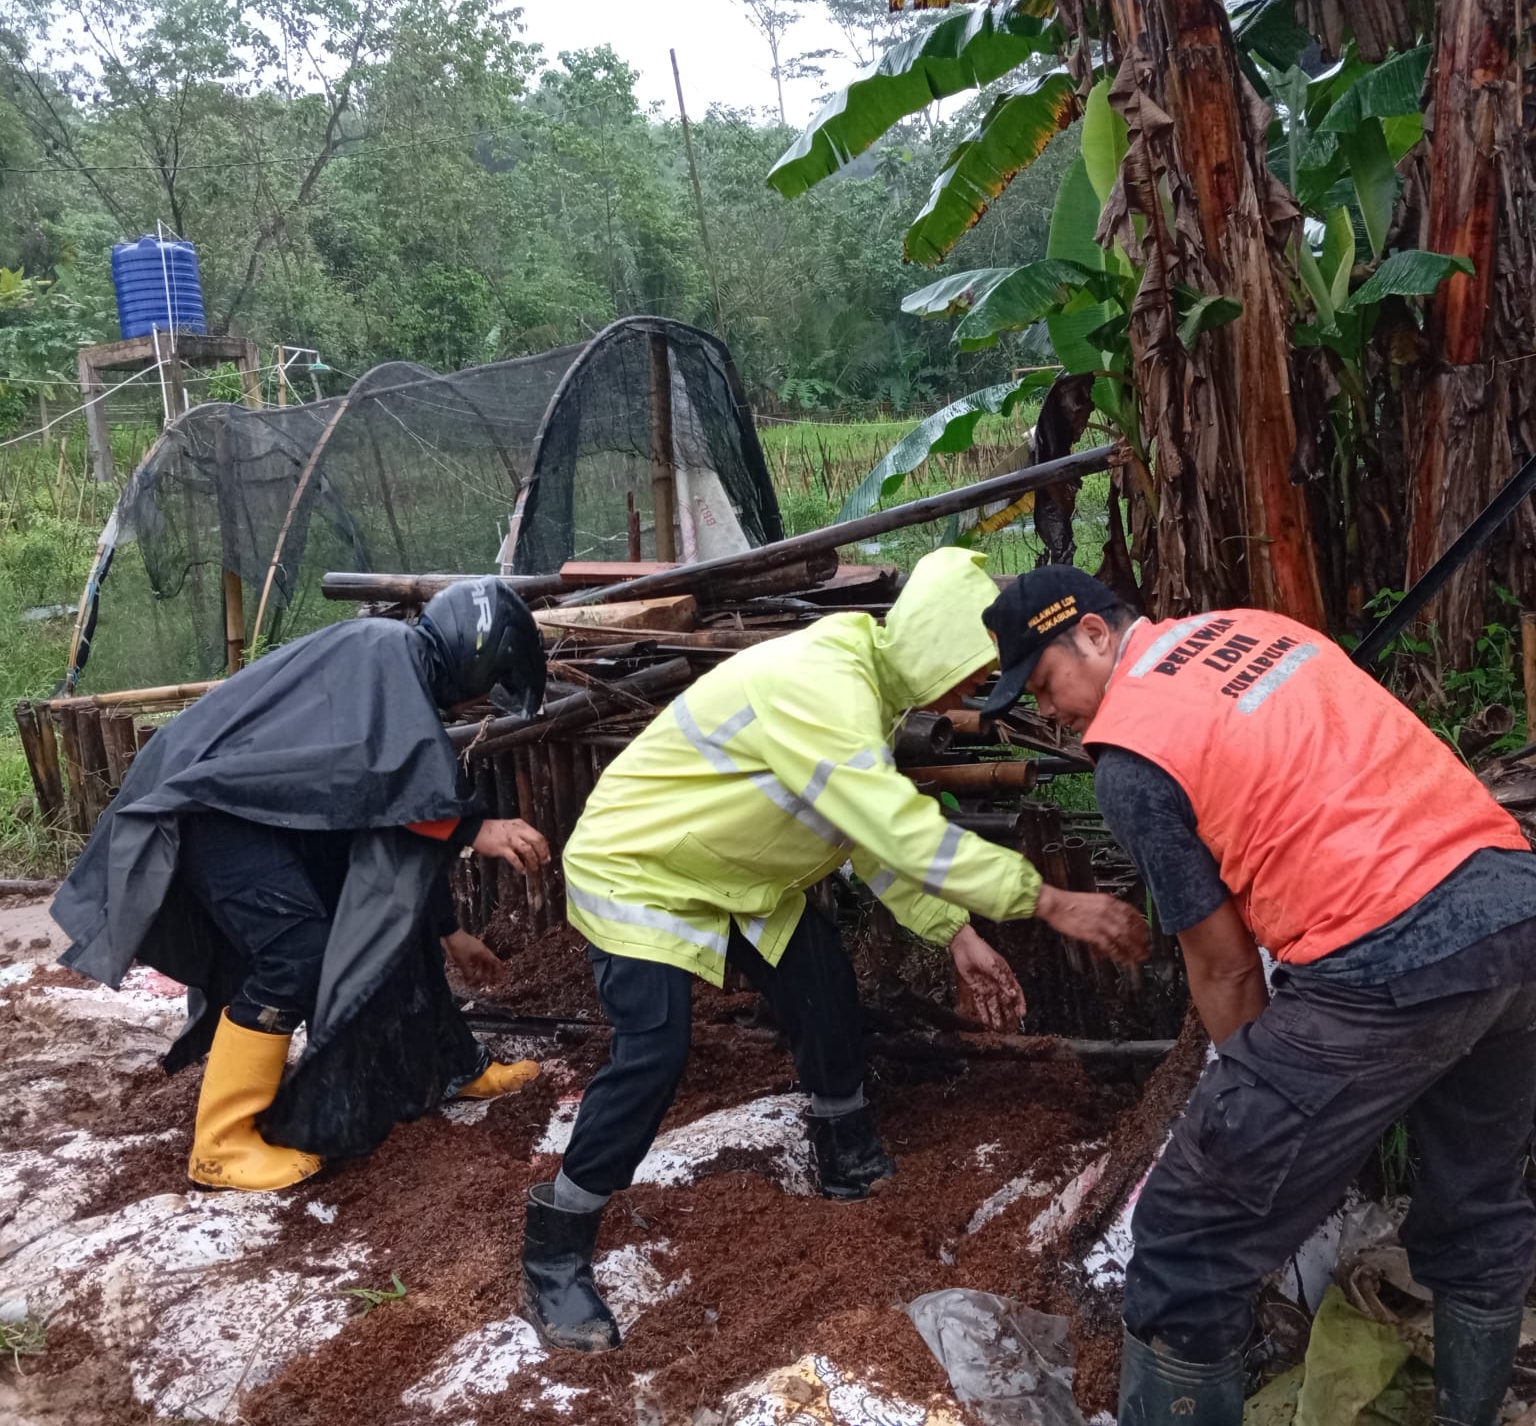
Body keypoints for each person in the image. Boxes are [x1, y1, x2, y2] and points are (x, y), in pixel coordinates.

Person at [520, 547, 1149, 1353]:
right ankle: (558, 1244)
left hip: (738, 879)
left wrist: (952, 931)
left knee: (823, 991)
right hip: (644, 869)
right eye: (972, 674)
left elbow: (867, 830)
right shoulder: (820, 684)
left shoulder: (863, 693)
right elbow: (890, 823)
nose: (971, 697)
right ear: (936, 649)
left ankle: (845, 1157)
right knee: (653, 1050)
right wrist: (1048, 899)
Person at [978, 566, 1536, 1426]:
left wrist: (1252, 1117)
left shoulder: (1132, 754)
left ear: (1093, 633)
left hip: (1385, 958)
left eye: (1045, 685)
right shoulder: (1259, 631)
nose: (1050, 714)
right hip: (1513, 907)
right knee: (1479, 1199)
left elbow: (1228, 967)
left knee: (1186, 1240)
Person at [53, 578, 553, 1191]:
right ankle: (222, 1144)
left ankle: (450, 1066)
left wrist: (449, 932)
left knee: (378, 924)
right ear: (476, 659)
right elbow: (396, 788)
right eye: (488, 685)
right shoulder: (385, 654)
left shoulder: (394, 674)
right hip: (210, 808)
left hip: (252, 808)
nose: (477, 705)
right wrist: (477, 826)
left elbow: (394, 839)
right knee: (297, 955)